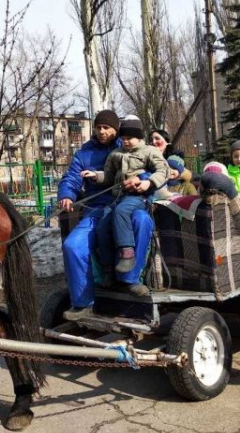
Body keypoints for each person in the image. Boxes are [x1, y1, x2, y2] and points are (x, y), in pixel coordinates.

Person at [57, 111, 155, 320]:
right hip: (97, 209)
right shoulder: (84, 154)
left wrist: (142, 179)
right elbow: (72, 178)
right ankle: (83, 303)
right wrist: (67, 194)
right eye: (98, 127)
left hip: (128, 204)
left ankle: (130, 280)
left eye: (106, 127)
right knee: (72, 246)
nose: (102, 131)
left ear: (116, 129)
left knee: (143, 220)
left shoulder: (129, 145)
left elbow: (151, 169)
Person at [82, 116, 169, 296]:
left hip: (138, 197)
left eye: (130, 138)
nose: (125, 141)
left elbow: (163, 171)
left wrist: (148, 183)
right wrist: (95, 176)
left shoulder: (149, 151)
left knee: (123, 212)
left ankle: (127, 254)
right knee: (103, 227)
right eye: (123, 138)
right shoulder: (116, 154)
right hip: (117, 197)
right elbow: (108, 176)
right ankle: (109, 271)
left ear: (139, 137)